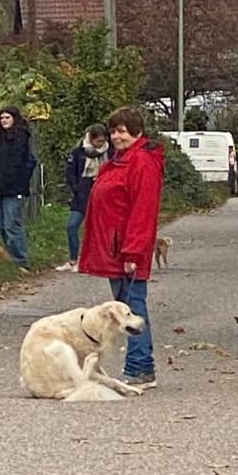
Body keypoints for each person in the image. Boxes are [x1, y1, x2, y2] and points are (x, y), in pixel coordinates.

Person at [78, 107, 165, 389]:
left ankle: (140, 366)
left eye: (122, 131)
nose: (116, 136)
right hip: (115, 247)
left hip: (127, 249)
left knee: (131, 308)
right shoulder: (121, 160)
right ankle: (140, 365)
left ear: (137, 131)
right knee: (126, 306)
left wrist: (132, 252)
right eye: (113, 131)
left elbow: (143, 210)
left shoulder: (141, 162)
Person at [0, 106, 34, 272]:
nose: (4, 121)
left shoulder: (20, 138)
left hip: (13, 188)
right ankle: (11, 261)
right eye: (2, 118)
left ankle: (21, 261)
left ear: (14, 119)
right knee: (3, 227)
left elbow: (18, 163)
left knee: (12, 224)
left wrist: (13, 181)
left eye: (7, 117)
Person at [55, 124, 110, 272]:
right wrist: (77, 188)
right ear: (91, 139)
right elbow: (70, 172)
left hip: (101, 195)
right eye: (98, 141)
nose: (100, 144)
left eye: (102, 141)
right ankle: (73, 260)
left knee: (97, 229)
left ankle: (96, 259)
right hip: (82, 195)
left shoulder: (109, 153)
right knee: (72, 226)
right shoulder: (78, 152)